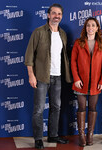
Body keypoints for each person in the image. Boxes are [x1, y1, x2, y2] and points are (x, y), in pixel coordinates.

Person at [24, 3, 72, 149]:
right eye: (54, 13)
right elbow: (29, 56)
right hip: (41, 77)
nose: (56, 16)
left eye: (59, 14)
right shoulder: (38, 32)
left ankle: (53, 135)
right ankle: (38, 138)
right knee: (38, 109)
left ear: (61, 17)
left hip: (58, 77)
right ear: (48, 15)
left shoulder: (63, 34)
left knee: (56, 107)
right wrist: (31, 76)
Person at [71, 17, 102, 147]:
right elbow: (73, 62)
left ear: (97, 28)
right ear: (85, 28)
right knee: (81, 107)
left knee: (92, 107)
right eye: (88, 26)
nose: (90, 28)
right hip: (80, 82)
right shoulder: (78, 42)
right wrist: (76, 79)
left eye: (93, 25)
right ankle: (81, 135)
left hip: (95, 83)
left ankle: (89, 134)